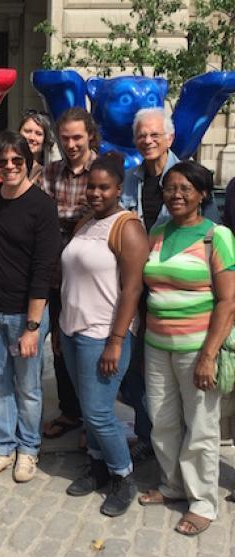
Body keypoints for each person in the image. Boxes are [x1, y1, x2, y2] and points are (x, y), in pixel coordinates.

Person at [139, 161, 235, 535]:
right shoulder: (159, 231)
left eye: (185, 189)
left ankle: (203, 502)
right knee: (162, 422)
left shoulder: (218, 236)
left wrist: (208, 355)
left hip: (197, 349)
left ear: (202, 195)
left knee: (201, 427)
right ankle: (173, 484)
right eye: (170, 188)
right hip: (156, 345)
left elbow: (228, 302)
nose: (176, 195)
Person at [121, 107, 220, 464]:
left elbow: (209, 238)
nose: (147, 141)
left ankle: (186, 455)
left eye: (154, 135)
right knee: (142, 376)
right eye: (142, 135)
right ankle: (152, 439)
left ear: (169, 138)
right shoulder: (130, 179)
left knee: (185, 385)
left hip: (182, 295)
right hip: (140, 290)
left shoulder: (189, 178)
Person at [0, 130, 61, 483]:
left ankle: (29, 449)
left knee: (28, 385)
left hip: (25, 313)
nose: (9, 166)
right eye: (2, 161)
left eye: (16, 160)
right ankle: (3, 446)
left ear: (28, 162)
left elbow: (42, 268)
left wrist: (33, 327)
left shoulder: (42, 206)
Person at [59, 152, 149, 517]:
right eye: (91, 186)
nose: (95, 193)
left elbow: (132, 289)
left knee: (99, 413)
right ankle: (96, 466)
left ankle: (123, 476)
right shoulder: (85, 222)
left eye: (103, 187)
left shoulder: (126, 226)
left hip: (103, 335)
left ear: (117, 189)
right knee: (87, 409)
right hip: (72, 328)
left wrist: (116, 339)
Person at [41, 107, 99, 440]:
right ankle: (71, 411)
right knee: (60, 345)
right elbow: (44, 218)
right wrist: (76, 219)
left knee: (87, 342)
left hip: (90, 276)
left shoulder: (104, 169)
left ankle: (93, 415)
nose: (71, 144)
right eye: (65, 138)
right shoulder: (50, 172)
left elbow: (100, 217)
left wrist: (68, 222)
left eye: (77, 137)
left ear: (89, 134)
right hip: (55, 273)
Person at [0, 110, 54, 218]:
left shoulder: (47, 173)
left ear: (45, 140)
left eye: (38, 134)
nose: (32, 137)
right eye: (27, 131)